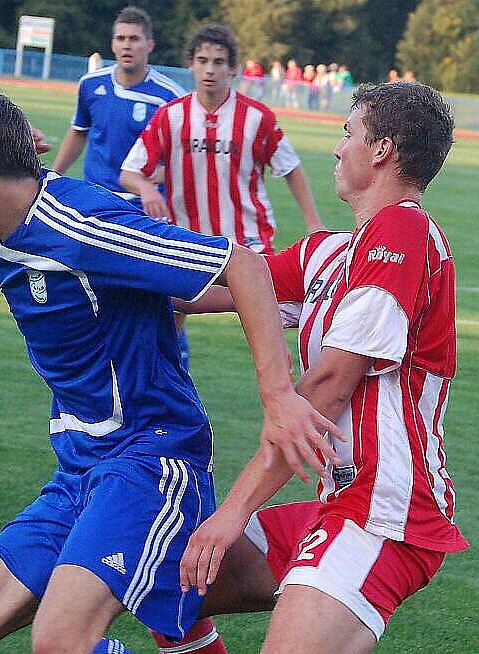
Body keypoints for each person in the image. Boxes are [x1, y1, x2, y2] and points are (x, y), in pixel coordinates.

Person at [0, 84, 340, 654]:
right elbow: (97, 262)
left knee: (61, 639)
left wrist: (278, 396)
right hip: (78, 473)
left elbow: (241, 265)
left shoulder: (78, 225)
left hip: (151, 457)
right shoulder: (7, 225)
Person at [175, 82, 468, 653]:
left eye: (347, 134)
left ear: (381, 150)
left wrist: (232, 511)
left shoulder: (403, 229)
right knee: (168, 579)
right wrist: (69, 254)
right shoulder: (329, 252)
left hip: (387, 516)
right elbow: (203, 285)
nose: (337, 149)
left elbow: (329, 387)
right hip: (341, 504)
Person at [119, 25, 322, 369]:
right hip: (189, 238)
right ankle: (163, 397)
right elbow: (129, 171)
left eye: (218, 61)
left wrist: (313, 222)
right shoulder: (172, 116)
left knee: (270, 336)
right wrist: (148, 188)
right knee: (167, 321)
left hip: (248, 240)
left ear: (233, 69)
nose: (210, 69)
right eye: (202, 61)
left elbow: (291, 167)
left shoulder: (256, 118)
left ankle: (290, 401)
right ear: (191, 65)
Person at [52, 6, 184, 209]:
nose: (127, 45)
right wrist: (54, 176)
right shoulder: (90, 84)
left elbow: (184, 159)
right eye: (121, 39)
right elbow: (79, 131)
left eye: (134, 39)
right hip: (95, 198)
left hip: (143, 205)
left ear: (149, 45)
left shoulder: (170, 97)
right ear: (113, 44)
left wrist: (149, 182)